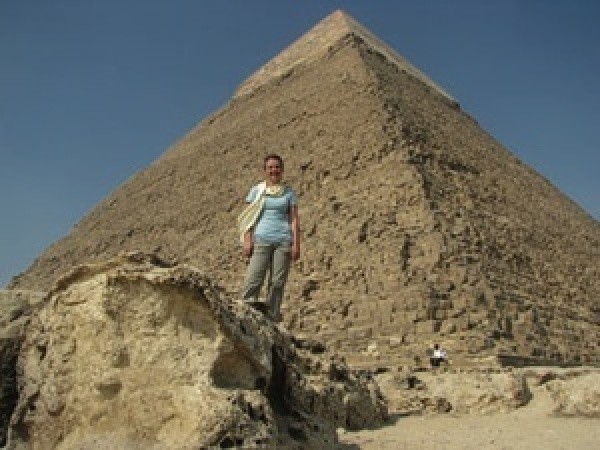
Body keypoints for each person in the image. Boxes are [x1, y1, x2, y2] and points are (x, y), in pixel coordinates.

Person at [237, 154, 300, 322]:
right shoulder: (257, 191)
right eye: (270, 167)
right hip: (261, 239)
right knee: (254, 278)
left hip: (283, 241)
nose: (274, 170)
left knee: (277, 282)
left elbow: (293, 219)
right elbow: (248, 217)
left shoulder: (289, 193)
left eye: (277, 167)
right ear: (265, 170)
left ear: (282, 169)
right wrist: (247, 239)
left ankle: (272, 317)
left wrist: (296, 244)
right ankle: (246, 315)